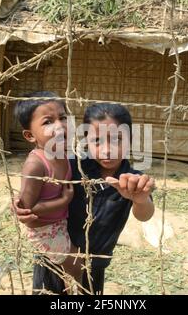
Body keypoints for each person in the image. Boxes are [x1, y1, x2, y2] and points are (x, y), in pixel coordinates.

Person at [13, 101, 155, 295]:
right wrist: (20, 203)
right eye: (97, 141)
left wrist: (141, 199)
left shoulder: (132, 179)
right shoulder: (72, 166)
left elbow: (144, 215)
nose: (107, 150)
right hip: (52, 259)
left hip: (93, 265)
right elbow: (36, 186)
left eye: (117, 140)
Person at [14, 91, 83, 290]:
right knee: (79, 266)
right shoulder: (36, 165)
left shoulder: (64, 155)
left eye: (62, 118)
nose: (60, 126)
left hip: (59, 224)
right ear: (29, 135)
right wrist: (63, 201)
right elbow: (28, 209)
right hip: (44, 230)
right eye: (47, 122)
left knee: (67, 268)